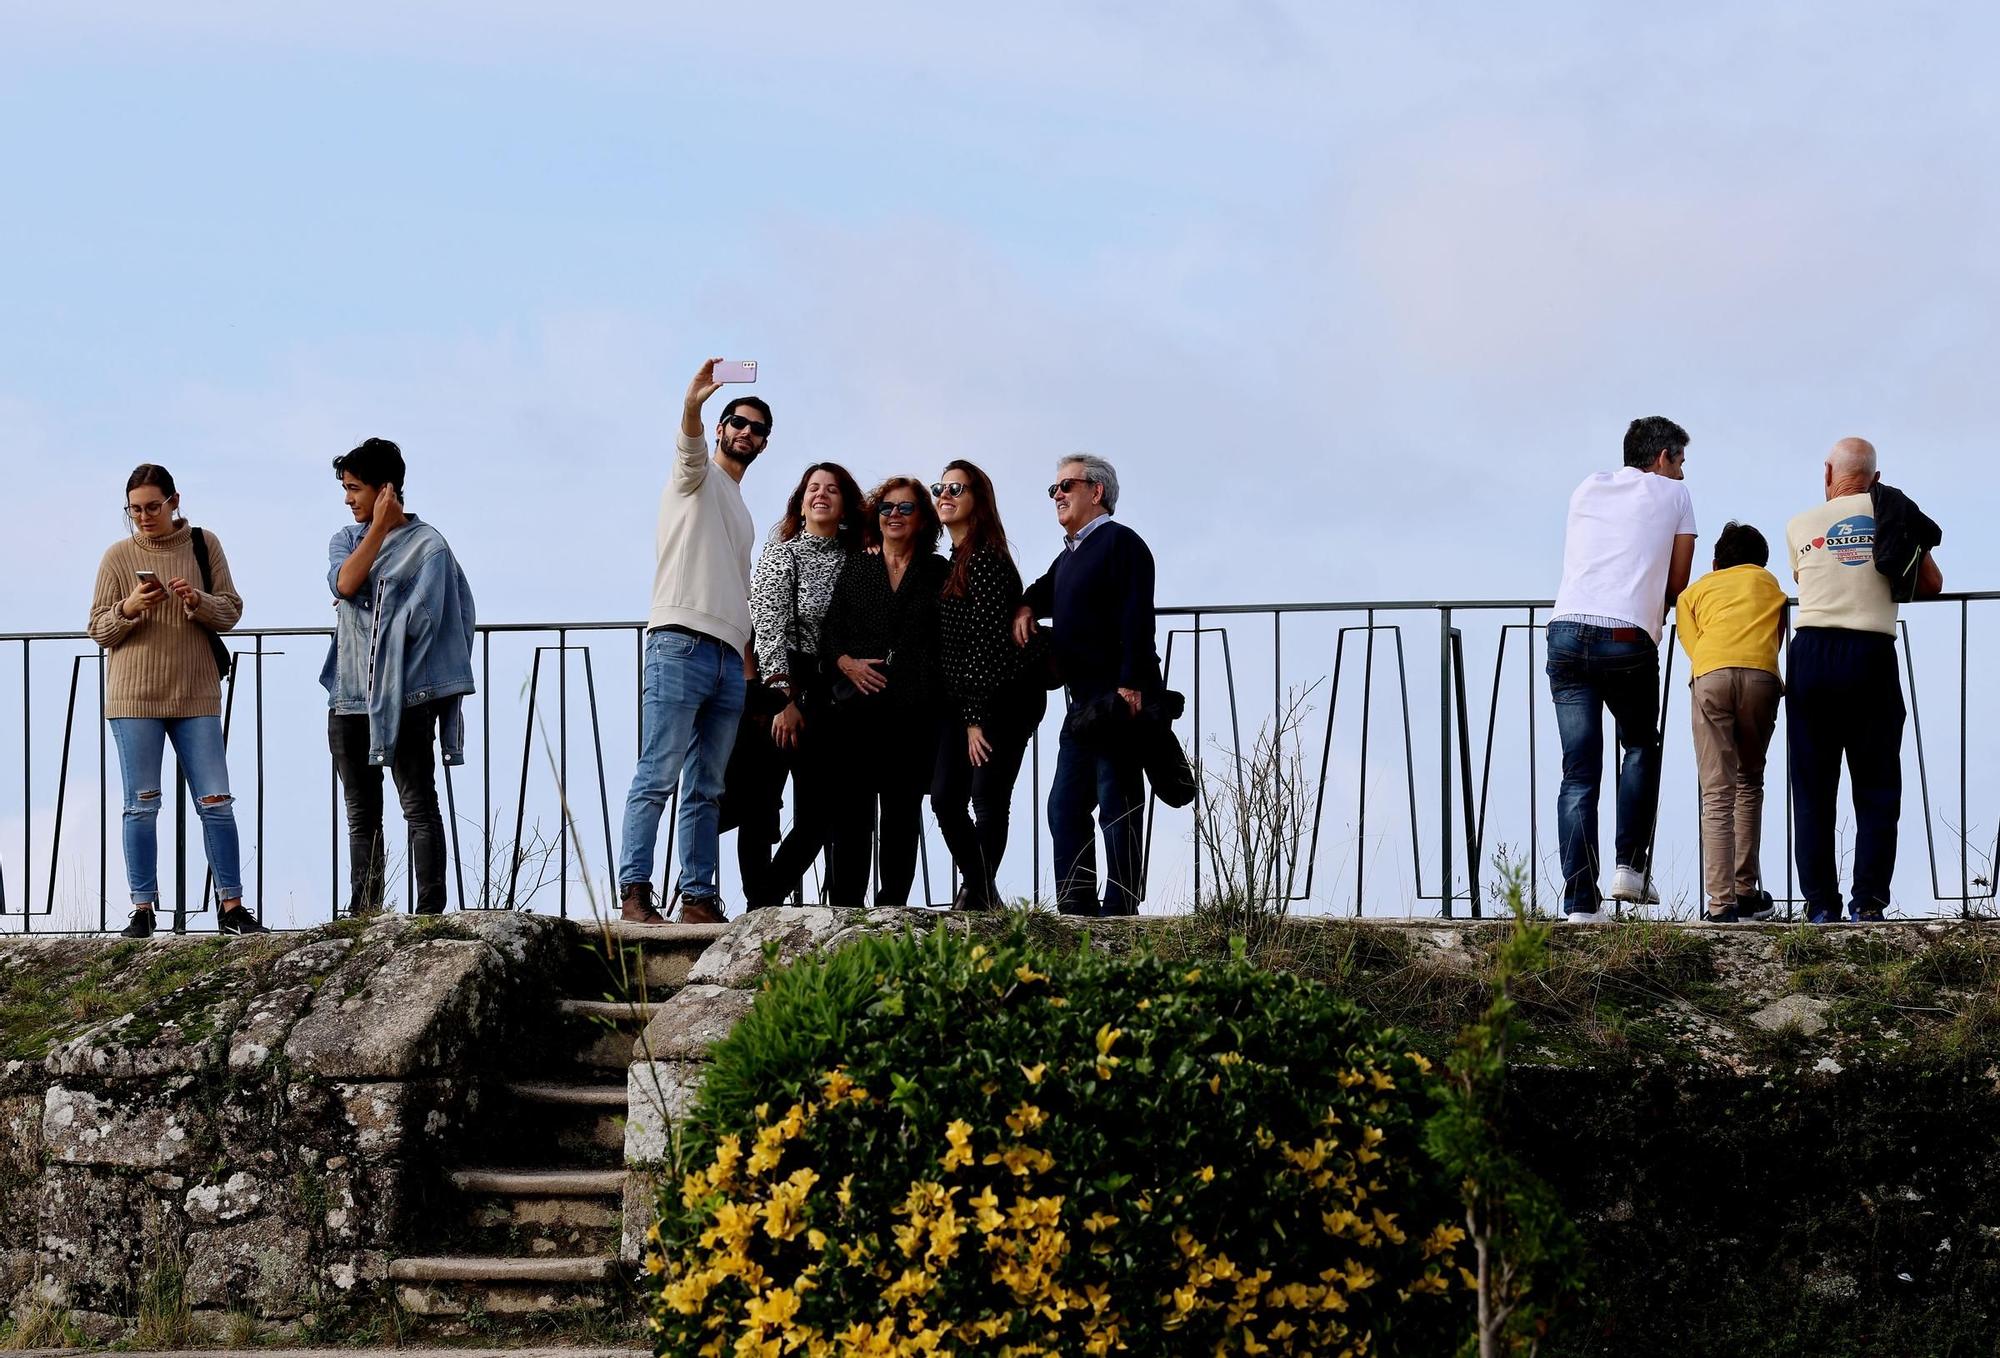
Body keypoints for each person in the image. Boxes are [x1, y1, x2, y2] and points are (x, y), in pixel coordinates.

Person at [87, 464, 266, 938]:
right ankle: (142, 910)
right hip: (134, 698)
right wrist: (129, 608)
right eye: (135, 509)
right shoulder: (117, 556)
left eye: (152, 507)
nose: (144, 517)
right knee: (141, 805)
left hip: (196, 693)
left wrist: (197, 602)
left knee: (217, 801)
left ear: (174, 501)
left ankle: (231, 907)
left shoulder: (204, 545)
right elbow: (98, 629)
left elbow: (231, 609)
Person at [615, 360, 764, 925]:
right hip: (679, 643)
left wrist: (745, 659)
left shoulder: (742, 508)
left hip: (728, 655)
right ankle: (635, 893)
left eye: (756, 428)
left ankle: (698, 898)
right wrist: (694, 405)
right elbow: (689, 447)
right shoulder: (696, 476)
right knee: (659, 773)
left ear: (763, 444)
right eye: (738, 422)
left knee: (706, 787)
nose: (746, 432)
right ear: (722, 428)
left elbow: (738, 586)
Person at [1546, 417, 1697, 922]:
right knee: (1638, 743)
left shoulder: (1588, 486)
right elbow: (1678, 582)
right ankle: (1629, 867)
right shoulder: (1676, 496)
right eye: (1680, 461)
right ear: (1663, 459)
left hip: (1565, 631)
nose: (1681, 472)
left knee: (1578, 774)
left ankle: (1580, 904)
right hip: (1627, 638)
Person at [1785, 437, 1942, 923]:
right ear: (1875, 478)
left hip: (1811, 654)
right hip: (1871, 653)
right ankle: (1868, 902)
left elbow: (1804, 580)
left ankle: (1819, 905)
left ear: (1828, 472)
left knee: (1812, 787)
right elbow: (1932, 584)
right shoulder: (1894, 514)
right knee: (1876, 786)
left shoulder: (1799, 525)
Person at [324, 438, 476, 918]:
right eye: (345, 489)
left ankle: (429, 910)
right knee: (360, 813)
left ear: (384, 489)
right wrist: (379, 528)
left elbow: (431, 618)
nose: (348, 499)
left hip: (409, 694)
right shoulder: (347, 540)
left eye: (355, 489)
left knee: (417, 804)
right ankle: (364, 910)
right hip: (350, 695)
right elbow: (346, 582)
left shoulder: (429, 546)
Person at [1013, 454, 1160, 917]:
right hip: (1082, 704)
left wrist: (1132, 685)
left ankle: (1120, 908)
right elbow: (1039, 591)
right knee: (1064, 807)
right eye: (1053, 489)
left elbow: (1139, 617)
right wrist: (1023, 609)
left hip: (1116, 696)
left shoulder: (1121, 543)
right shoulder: (1069, 556)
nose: (1056, 495)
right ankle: (1076, 907)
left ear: (1096, 492)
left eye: (1066, 486)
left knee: (1117, 803)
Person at [739, 462, 871, 906]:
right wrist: (781, 698)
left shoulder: (857, 561)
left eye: (832, 489)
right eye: (813, 488)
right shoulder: (783, 554)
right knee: (763, 805)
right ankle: (759, 906)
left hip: (829, 691)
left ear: (845, 503)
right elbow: (769, 626)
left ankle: (764, 902)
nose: (821, 495)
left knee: (819, 812)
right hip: (783, 684)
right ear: (800, 500)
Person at [821, 478, 950, 905]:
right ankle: (844, 908)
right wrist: (845, 663)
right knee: (851, 814)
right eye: (887, 509)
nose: (894, 515)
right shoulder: (858, 566)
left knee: (902, 812)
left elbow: (948, 638)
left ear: (922, 520)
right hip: (858, 710)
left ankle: (892, 906)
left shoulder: (937, 572)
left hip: (915, 711)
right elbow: (830, 633)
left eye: (906, 508)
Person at [931, 462, 1046, 910]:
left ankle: (976, 895)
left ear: (978, 499)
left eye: (956, 488)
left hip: (1004, 699)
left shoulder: (986, 559)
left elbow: (985, 644)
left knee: (988, 796)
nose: (945, 493)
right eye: (939, 487)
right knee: (945, 798)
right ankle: (981, 889)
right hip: (969, 700)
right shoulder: (956, 560)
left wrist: (975, 719)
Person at [1674, 522, 1786, 923]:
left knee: (1717, 792)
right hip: (1761, 677)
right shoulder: (1771, 585)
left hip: (1712, 674)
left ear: (1717, 562)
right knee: (1749, 780)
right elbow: (1777, 634)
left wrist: (1712, 663)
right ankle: (1746, 889)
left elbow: (1692, 641)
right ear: (1761, 561)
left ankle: (1721, 905)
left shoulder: (1696, 591)